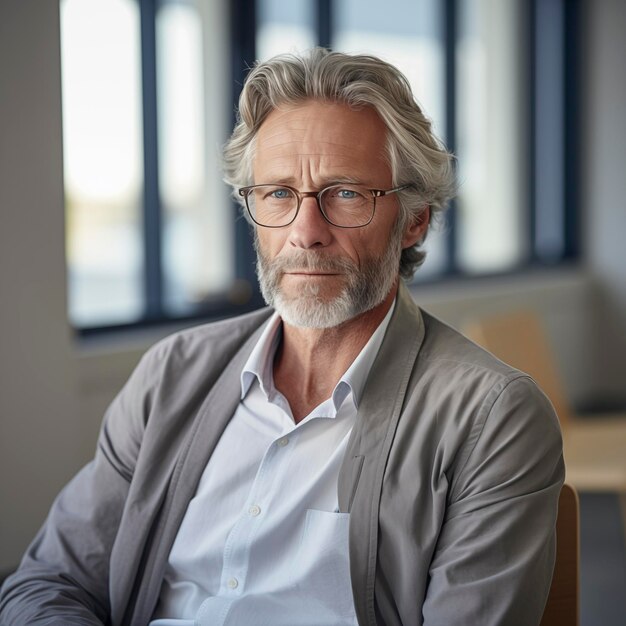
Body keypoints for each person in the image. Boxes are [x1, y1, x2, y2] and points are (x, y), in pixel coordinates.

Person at [0, 48, 564, 626]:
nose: (306, 232)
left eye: (346, 193)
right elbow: (51, 580)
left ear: (413, 217)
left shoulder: (492, 419)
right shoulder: (172, 374)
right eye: (278, 193)